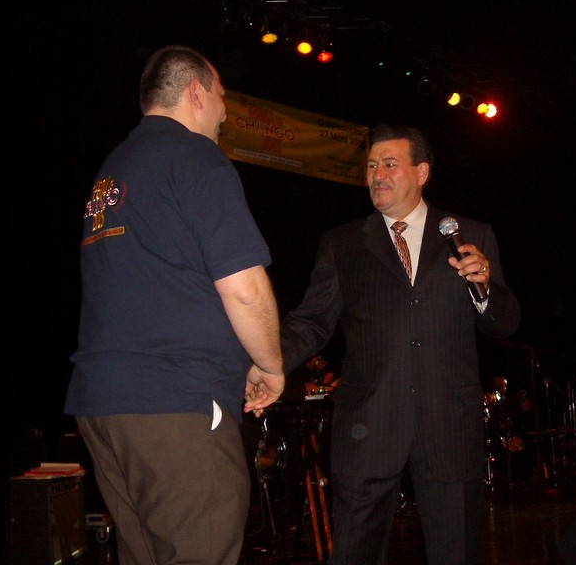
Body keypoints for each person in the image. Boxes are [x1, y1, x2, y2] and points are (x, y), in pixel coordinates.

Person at [64, 45, 285, 565]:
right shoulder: (194, 156)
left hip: (104, 405)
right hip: (174, 404)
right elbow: (244, 287)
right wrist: (270, 365)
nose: (226, 113)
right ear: (196, 93)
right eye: (222, 97)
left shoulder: (114, 169)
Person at [280, 124, 521, 565]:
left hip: (449, 427)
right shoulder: (343, 244)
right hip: (368, 427)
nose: (377, 174)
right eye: (372, 166)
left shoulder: (471, 235)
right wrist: (264, 363)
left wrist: (485, 289)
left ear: (422, 172)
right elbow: (311, 322)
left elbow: (503, 324)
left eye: (390, 164)